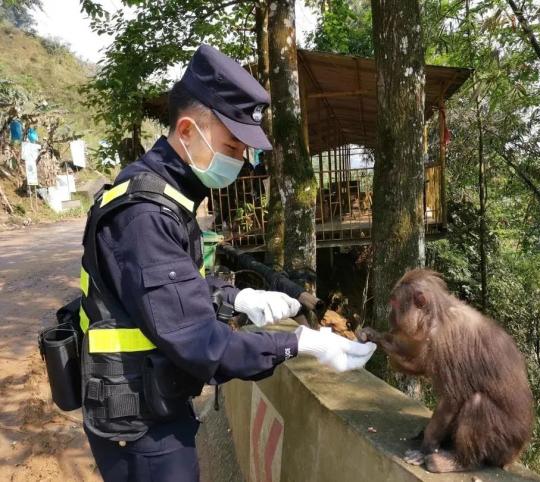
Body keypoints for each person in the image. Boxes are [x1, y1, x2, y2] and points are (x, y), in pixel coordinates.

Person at [78, 44, 376, 482]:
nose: (242, 161)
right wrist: (299, 343)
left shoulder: (164, 197)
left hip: (151, 403)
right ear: (187, 131)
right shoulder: (144, 215)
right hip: (139, 426)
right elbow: (201, 344)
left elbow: (171, 291)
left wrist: (239, 297)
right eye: (233, 147)